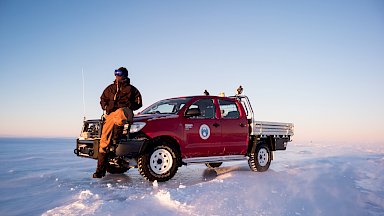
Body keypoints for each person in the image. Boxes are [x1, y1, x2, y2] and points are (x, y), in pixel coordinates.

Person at [93, 67, 142, 178]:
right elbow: (102, 99)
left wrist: (128, 106)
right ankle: (100, 171)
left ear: (125, 75)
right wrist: (105, 106)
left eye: (119, 73)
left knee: (119, 113)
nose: (117, 75)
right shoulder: (110, 88)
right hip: (111, 115)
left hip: (125, 112)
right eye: (116, 73)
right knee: (104, 141)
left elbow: (139, 103)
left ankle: (116, 137)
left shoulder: (132, 89)